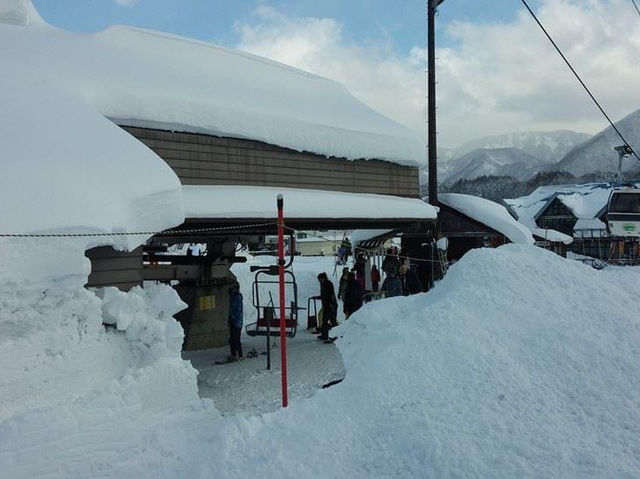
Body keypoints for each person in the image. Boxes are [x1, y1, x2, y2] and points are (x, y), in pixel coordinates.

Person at [317, 272, 338, 341]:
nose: (319, 281)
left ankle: (336, 335)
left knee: (332, 320)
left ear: (323, 278)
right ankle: (325, 335)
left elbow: (331, 295)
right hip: (327, 305)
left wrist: (331, 304)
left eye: (320, 279)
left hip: (330, 305)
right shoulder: (323, 284)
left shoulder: (328, 284)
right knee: (325, 320)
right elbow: (325, 295)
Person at [228, 284, 243, 361]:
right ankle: (234, 354)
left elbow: (237, 310)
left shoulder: (237, 298)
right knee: (232, 339)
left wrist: (233, 319)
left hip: (237, 322)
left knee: (235, 339)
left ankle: (237, 354)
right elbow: (231, 310)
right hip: (234, 321)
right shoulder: (233, 297)